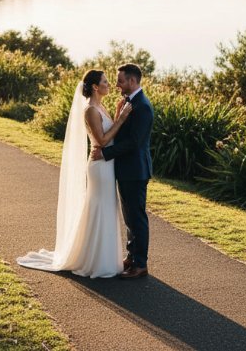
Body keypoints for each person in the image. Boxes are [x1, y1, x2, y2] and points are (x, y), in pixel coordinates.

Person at [17, 69, 133, 278]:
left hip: (108, 163)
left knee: (107, 206)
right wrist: (122, 119)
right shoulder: (90, 109)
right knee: (99, 206)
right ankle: (92, 259)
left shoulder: (101, 105)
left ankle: (103, 256)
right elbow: (102, 141)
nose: (109, 85)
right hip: (100, 166)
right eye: (105, 82)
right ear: (96, 87)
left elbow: (109, 132)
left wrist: (116, 115)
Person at [90, 63, 154, 279]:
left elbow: (135, 143)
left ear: (132, 81)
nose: (117, 85)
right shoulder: (128, 102)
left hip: (135, 170)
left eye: (120, 81)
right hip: (126, 169)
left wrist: (106, 154)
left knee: (137, 217)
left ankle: (140, 264)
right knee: (129, 217)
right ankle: (131, 255)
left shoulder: (142, 106)